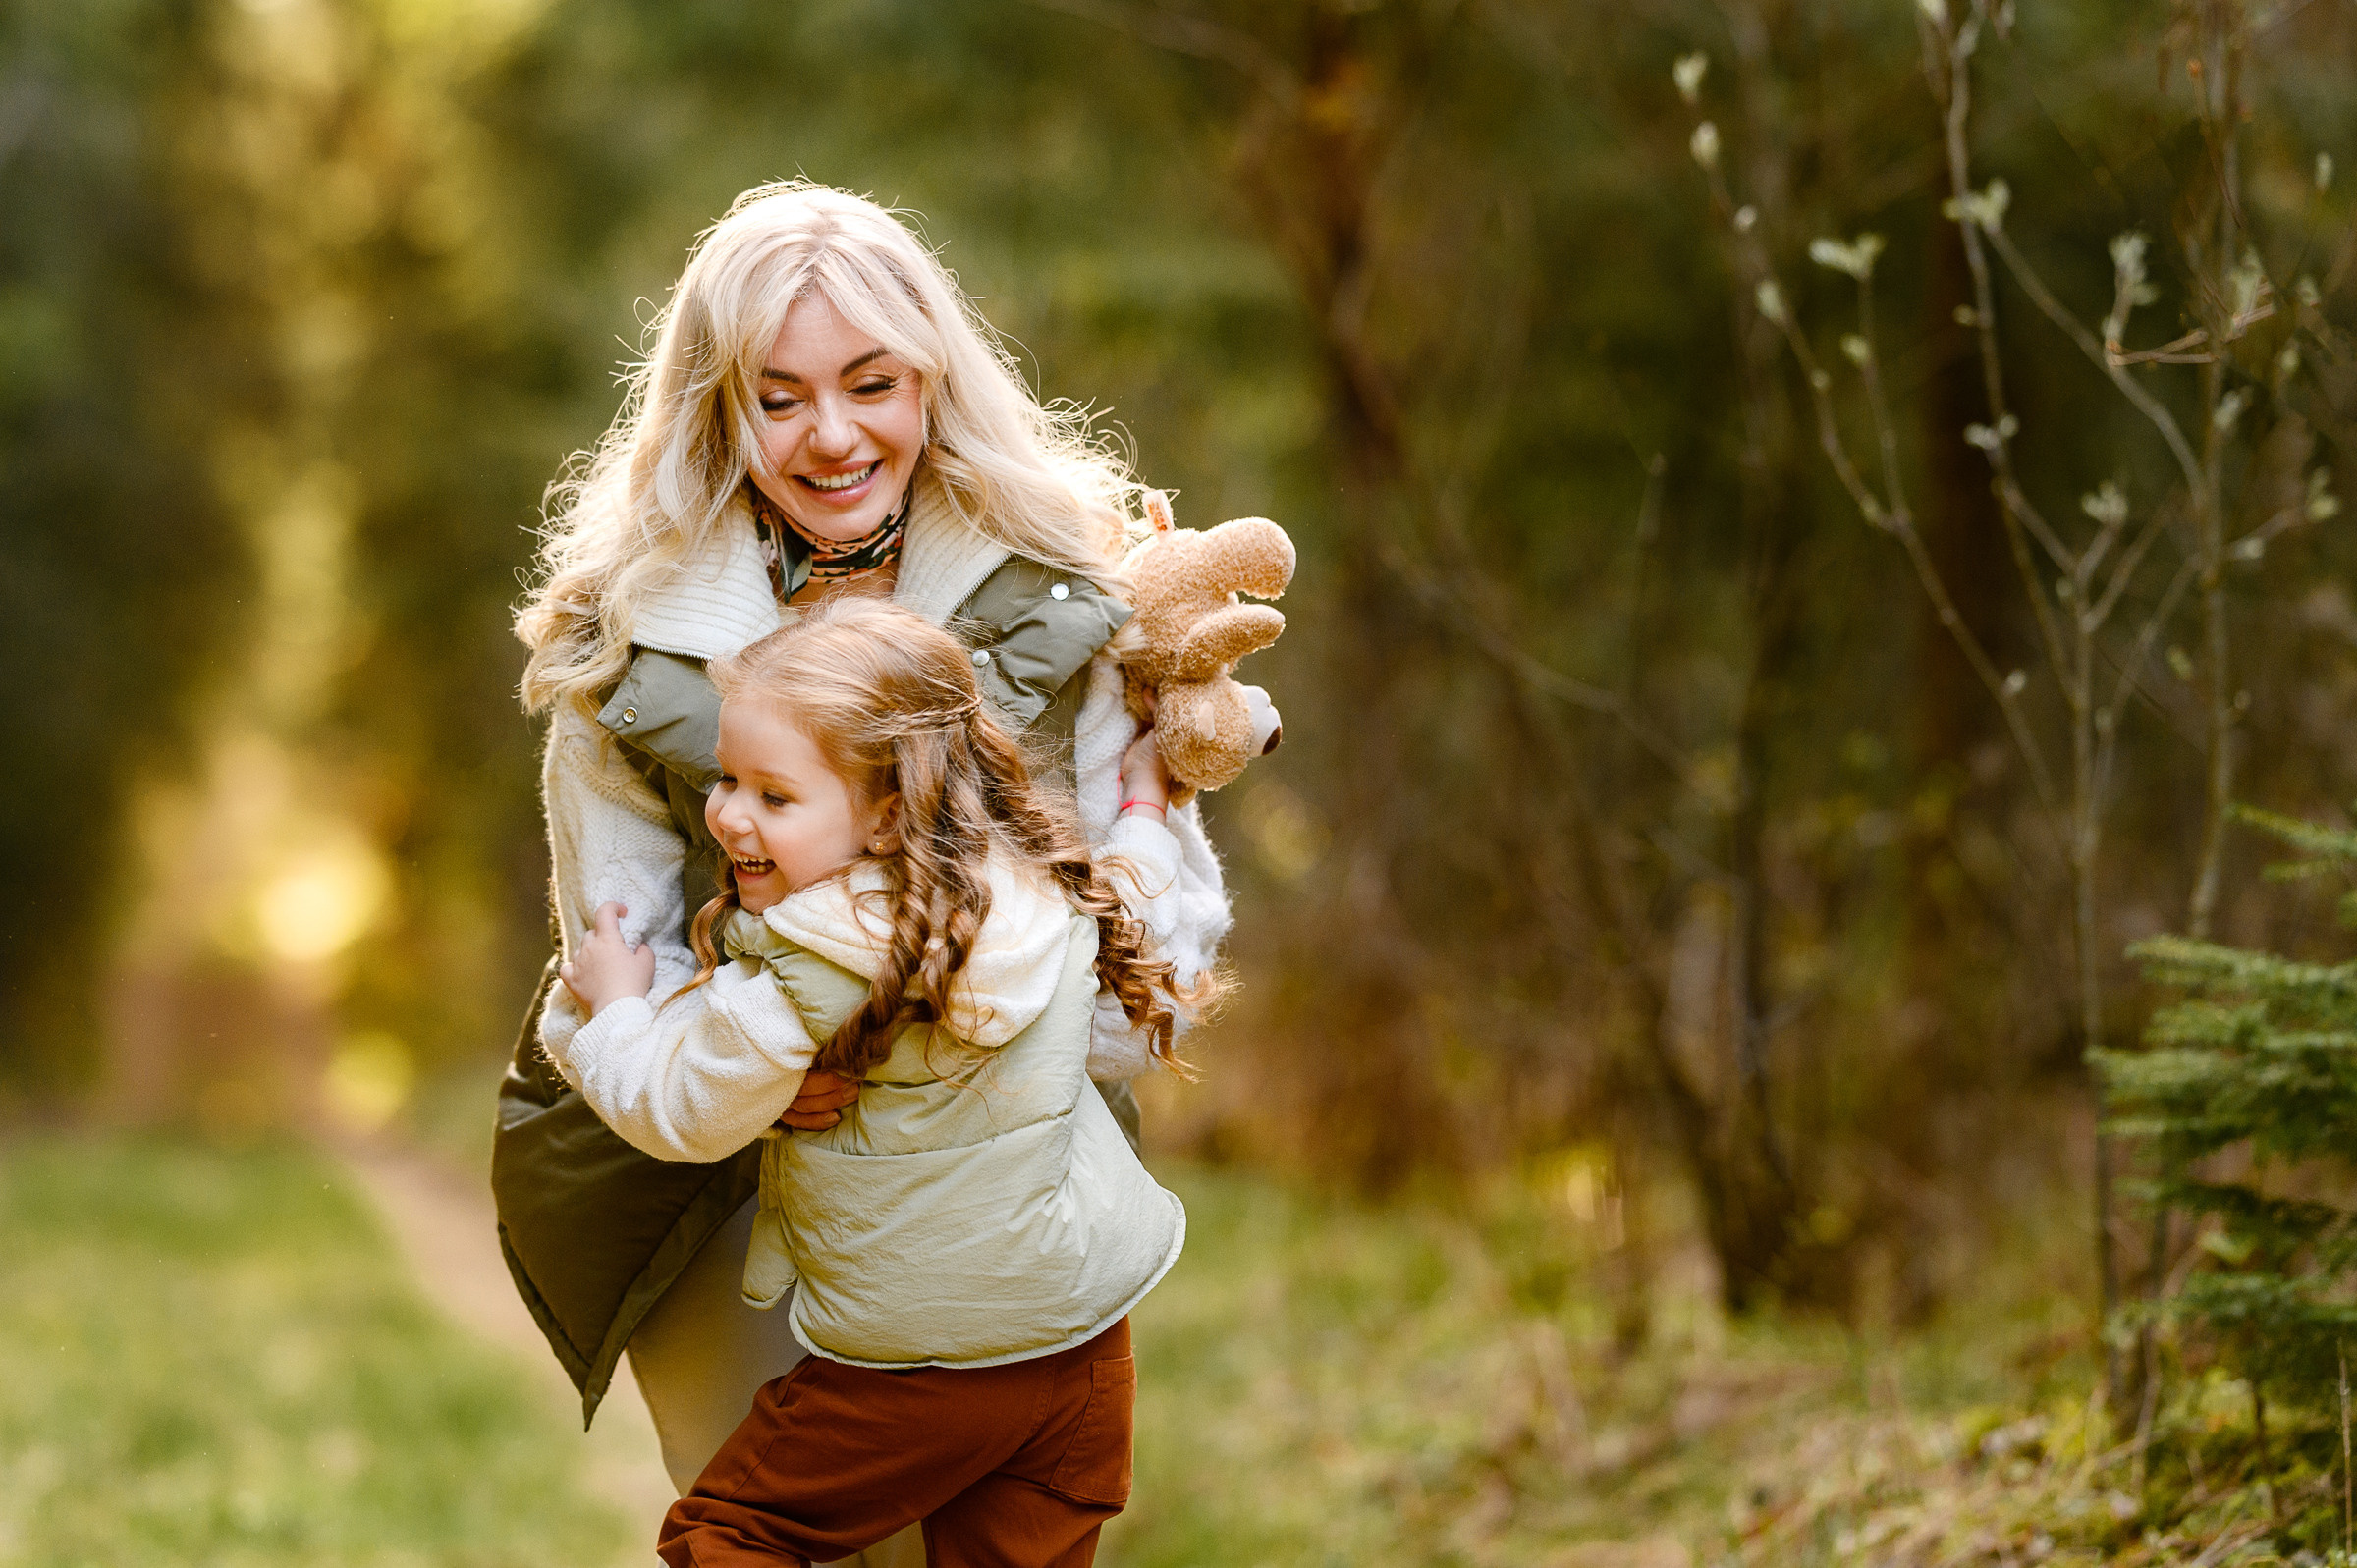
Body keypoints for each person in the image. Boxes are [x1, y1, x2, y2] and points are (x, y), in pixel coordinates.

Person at [498, 181, 1230, 1562]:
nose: (832, 435)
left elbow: (1133, 963)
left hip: (986, 1185)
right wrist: (769, 1055)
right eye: (778, 399)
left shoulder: (1064, 591)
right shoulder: (625, 636)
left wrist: (917, 1045)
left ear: (931, 376)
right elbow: (620, 932)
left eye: (871, 383)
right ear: (718, 408)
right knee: (780, 1533)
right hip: (718, 1174)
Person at [553, 598, 1203, 1565]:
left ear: (888, 809)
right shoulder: (1046, 881)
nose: (728, 813)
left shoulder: (819, 952)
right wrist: (1145, 803)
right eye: (727, 777)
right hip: (1085, 1349)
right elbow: (1140, 893)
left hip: (922, 1370)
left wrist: (616, 1007)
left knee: (728, 1535)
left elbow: (682, 1107)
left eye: (775, 796)